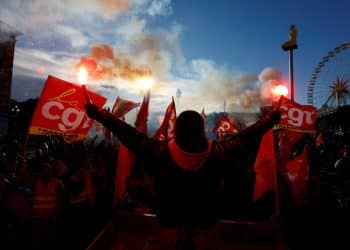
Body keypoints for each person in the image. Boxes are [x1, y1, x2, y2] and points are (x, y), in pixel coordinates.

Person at [85, 103, 281, 250]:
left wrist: (102, 116)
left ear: (177, 130)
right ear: (202, 131)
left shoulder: (158, 152)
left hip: (167, 229)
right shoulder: (220, 153)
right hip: (206, 229)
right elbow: (245, 138)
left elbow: (129, 135)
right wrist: (268, 121)